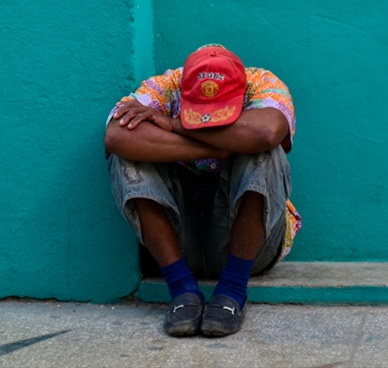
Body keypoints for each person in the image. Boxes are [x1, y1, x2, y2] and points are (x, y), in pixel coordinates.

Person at [103, 44, 298, 337]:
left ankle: (232, 291)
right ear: (184, 91)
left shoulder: (262, 84)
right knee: (127, 157)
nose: (209, 118)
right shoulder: (163, 88)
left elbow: (265, 132)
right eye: (201, 111)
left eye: (220, 112)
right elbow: (116, 136)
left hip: (250, 247)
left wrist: (174, 126)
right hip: (178, 240)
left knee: (265, 153)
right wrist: (219, 147)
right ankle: (182, 291)